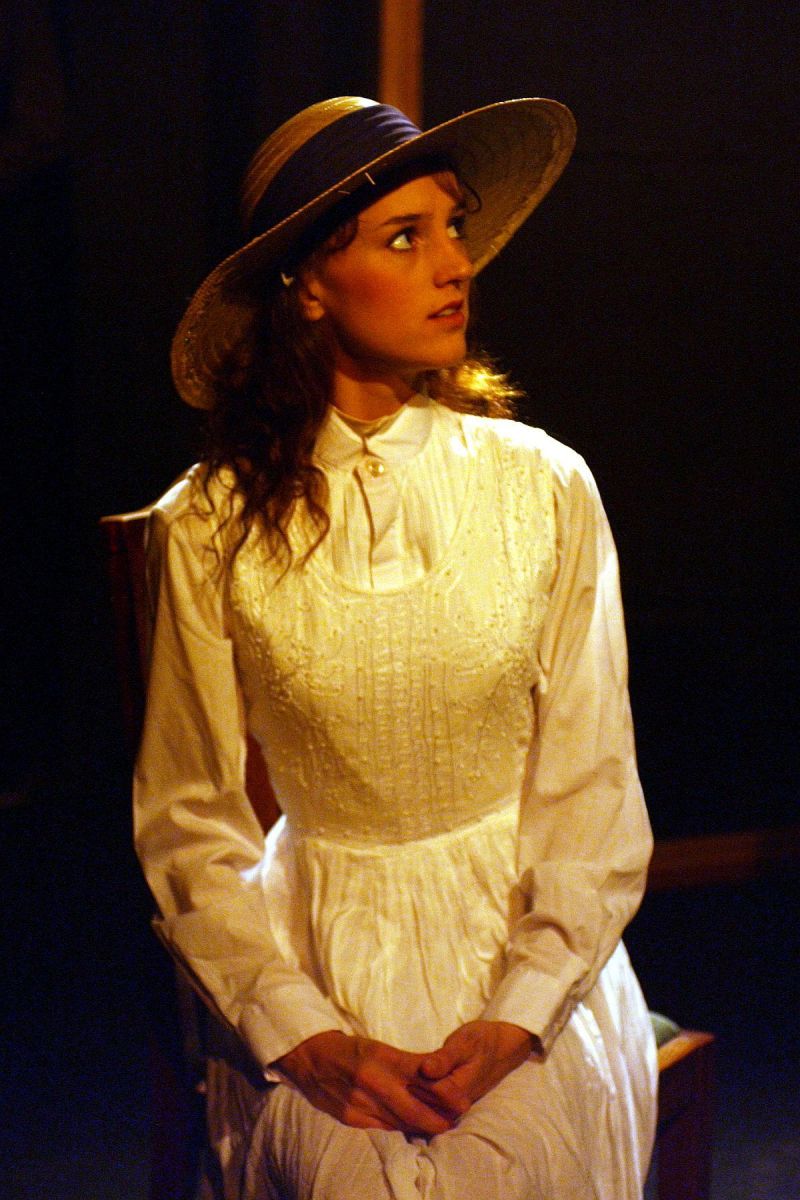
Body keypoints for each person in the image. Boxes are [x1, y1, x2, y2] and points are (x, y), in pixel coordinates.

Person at [134, 95, 658, 1200]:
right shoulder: (210, 522)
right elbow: (189, 825)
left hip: (519, 935)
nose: (452, 265)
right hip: (315, 948)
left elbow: (591, 786)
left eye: (453, 227)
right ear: (309, 286)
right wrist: (301, 1033)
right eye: (403, 238)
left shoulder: (542, 486)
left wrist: (518, 1015)